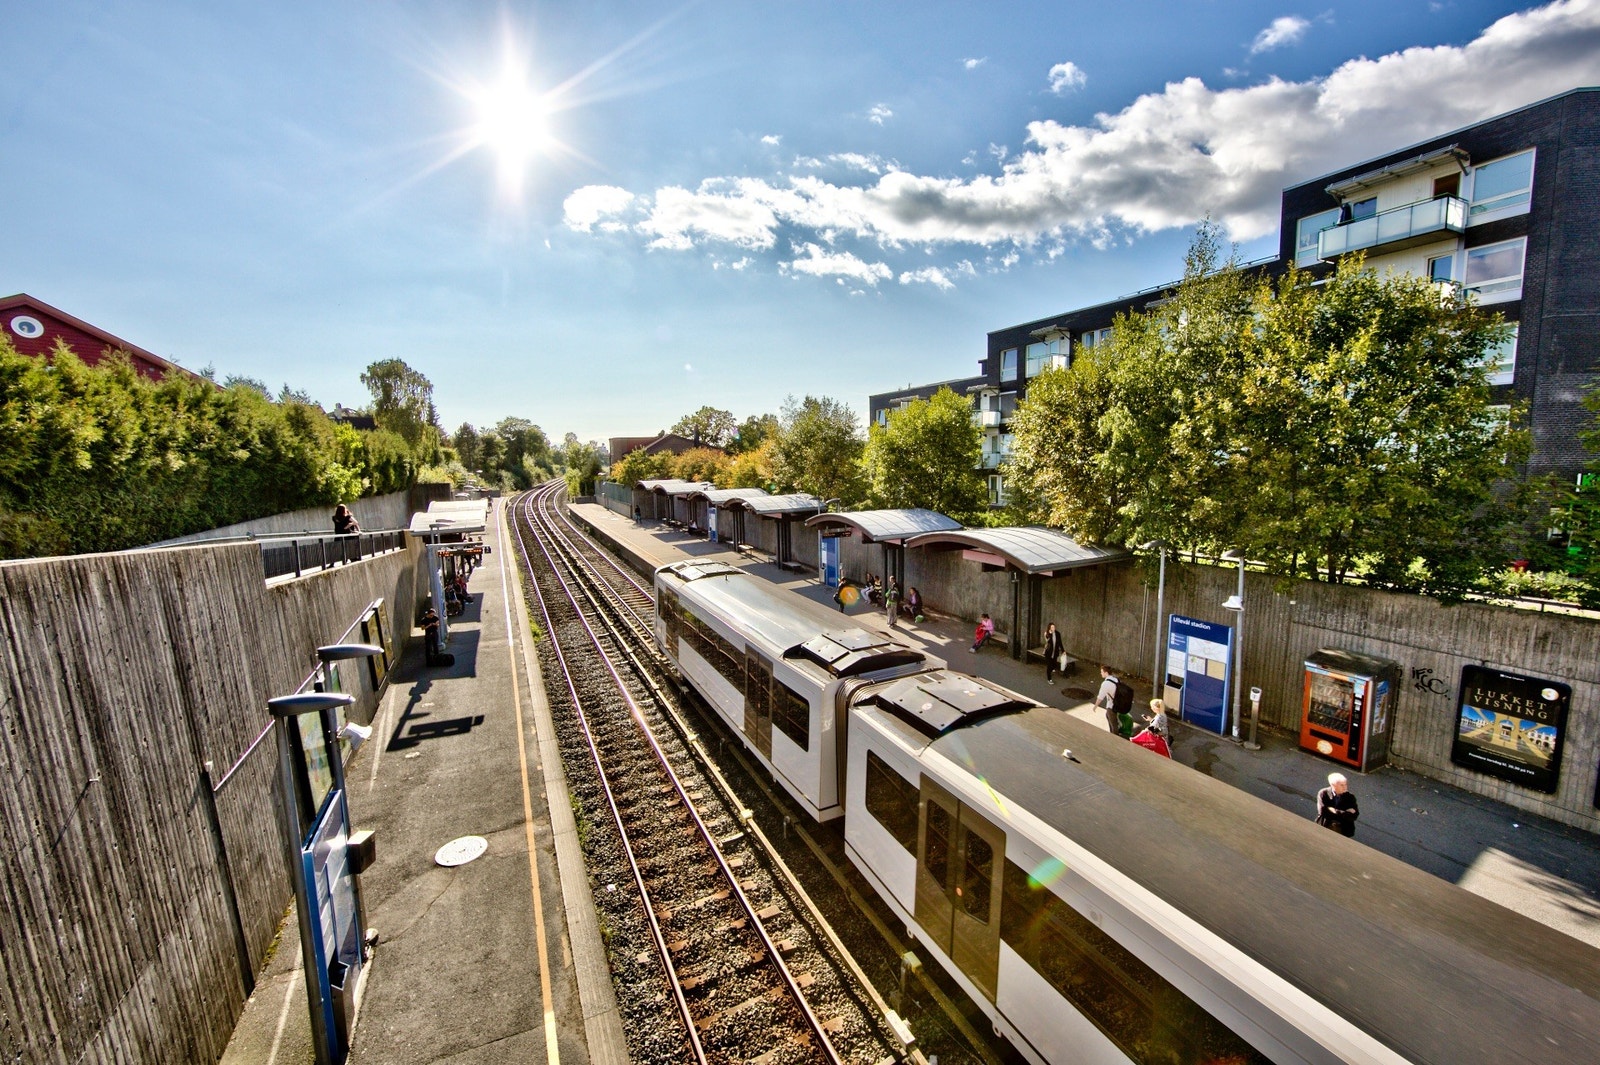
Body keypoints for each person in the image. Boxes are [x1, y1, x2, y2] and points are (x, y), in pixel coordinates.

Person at [1316, 773, 1360, 837]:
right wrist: (1345, 813)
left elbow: (1354, 815)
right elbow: (1323, 812)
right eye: (1341, 785)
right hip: (1325, 826)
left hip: (1343, 830)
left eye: (1345, 784)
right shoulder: (1323, 793)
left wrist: (1334, 811)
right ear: (1333, 785)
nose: (1345, 787)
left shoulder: (1350, 797)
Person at [1097, 665, 1135, 736]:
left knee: (1113, 723)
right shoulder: (1116, 679)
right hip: (1118, 704)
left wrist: (1095, 706)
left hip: (1112, 706)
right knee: (1109, 717)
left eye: (1101, 672)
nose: (1101, 673)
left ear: (1106, 673)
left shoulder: (1105, 684)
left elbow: (1100, 697)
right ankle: (1113, 734)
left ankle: (1114, 736)